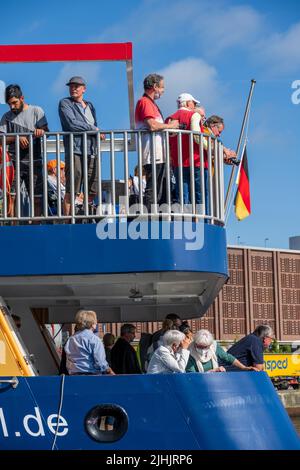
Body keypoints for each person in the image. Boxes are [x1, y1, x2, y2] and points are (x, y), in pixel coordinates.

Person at [0, 84, 49, 217]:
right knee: (11, 197)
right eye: (9, 104)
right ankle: (12, 228)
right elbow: (0, 139)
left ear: (22, 98)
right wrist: (17, 138)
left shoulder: (36, 111)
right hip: (13, 162)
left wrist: (41, 130)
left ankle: (36, 228)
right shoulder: (6, 117)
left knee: (37, 198)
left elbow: (46, 131)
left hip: (34, 160)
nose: (12, 107)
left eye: (15, 103)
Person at [58, 76, 104, 216]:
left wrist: (97, 132)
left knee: (92, 188)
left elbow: (94, 125)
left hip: (92, 151)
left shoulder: (90, 106)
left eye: (77, 86)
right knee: (72, 189)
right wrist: (94, 129)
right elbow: (71, 124)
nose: (73, 88)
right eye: (71, 86)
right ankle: (67, 221)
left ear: (84, 89)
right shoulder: (65, 103)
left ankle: (87, 217)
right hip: (75, 150)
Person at [135, 73, 179, 211]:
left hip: (159, 152)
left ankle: (155, 217)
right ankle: (149, 219)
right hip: (152, 152)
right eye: (162, 87)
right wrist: (171, 126)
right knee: (153, 188)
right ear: (155, 86)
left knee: (159, 188)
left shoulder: (151, 103)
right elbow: (152, 125)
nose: (163, 91)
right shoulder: (145, 102)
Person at [166, 93, 205, 206]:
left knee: (182, 193)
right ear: (188, 103)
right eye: (194, 103)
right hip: (196, 160)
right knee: (199, 194)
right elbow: (197, 137)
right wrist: (211, 148)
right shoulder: (194, 115)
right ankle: (198, 220)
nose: (195, 106)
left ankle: (183, 219)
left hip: (178, 161)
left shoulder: (170, 118)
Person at [64, 309, 114, 375]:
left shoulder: (71, 339)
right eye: (95, 322)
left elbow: (68, 360)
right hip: (91, 376)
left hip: (74, 376)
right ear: (92, 324)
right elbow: (100, 362)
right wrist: (109, 370)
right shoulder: (94, 339)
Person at [186, 329, 258, 373]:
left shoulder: (214, 346)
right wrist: (214, 371)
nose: (203, 350)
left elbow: (227, 357)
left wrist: (244, 368)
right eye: (200, 347)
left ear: (209, 345)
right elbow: (191, 375)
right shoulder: (189, 352)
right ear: (195, 343)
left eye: (205, 347)